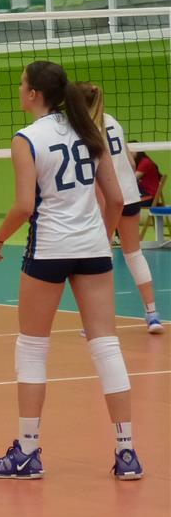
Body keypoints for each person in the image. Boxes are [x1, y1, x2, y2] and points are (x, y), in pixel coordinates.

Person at [0, 61, 143, 481]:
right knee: (106, 345)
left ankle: (27, 453)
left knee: (32, 348)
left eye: (22, 84)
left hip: (50, 249)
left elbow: (24, 206)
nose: (19, 89)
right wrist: (101, 239)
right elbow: (116, 199)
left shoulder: (26, 139)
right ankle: (127, 452)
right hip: (93, 250)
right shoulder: (89, 131)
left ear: (34, 93)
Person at [79, 83, 162, 334]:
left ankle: (97, 323)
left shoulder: (84, 129)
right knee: (133, 254)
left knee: (99, 259)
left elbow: (95, 175)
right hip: (129, 194)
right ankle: (152, 315)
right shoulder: (111, 121)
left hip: (108, 198)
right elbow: (129, 161)